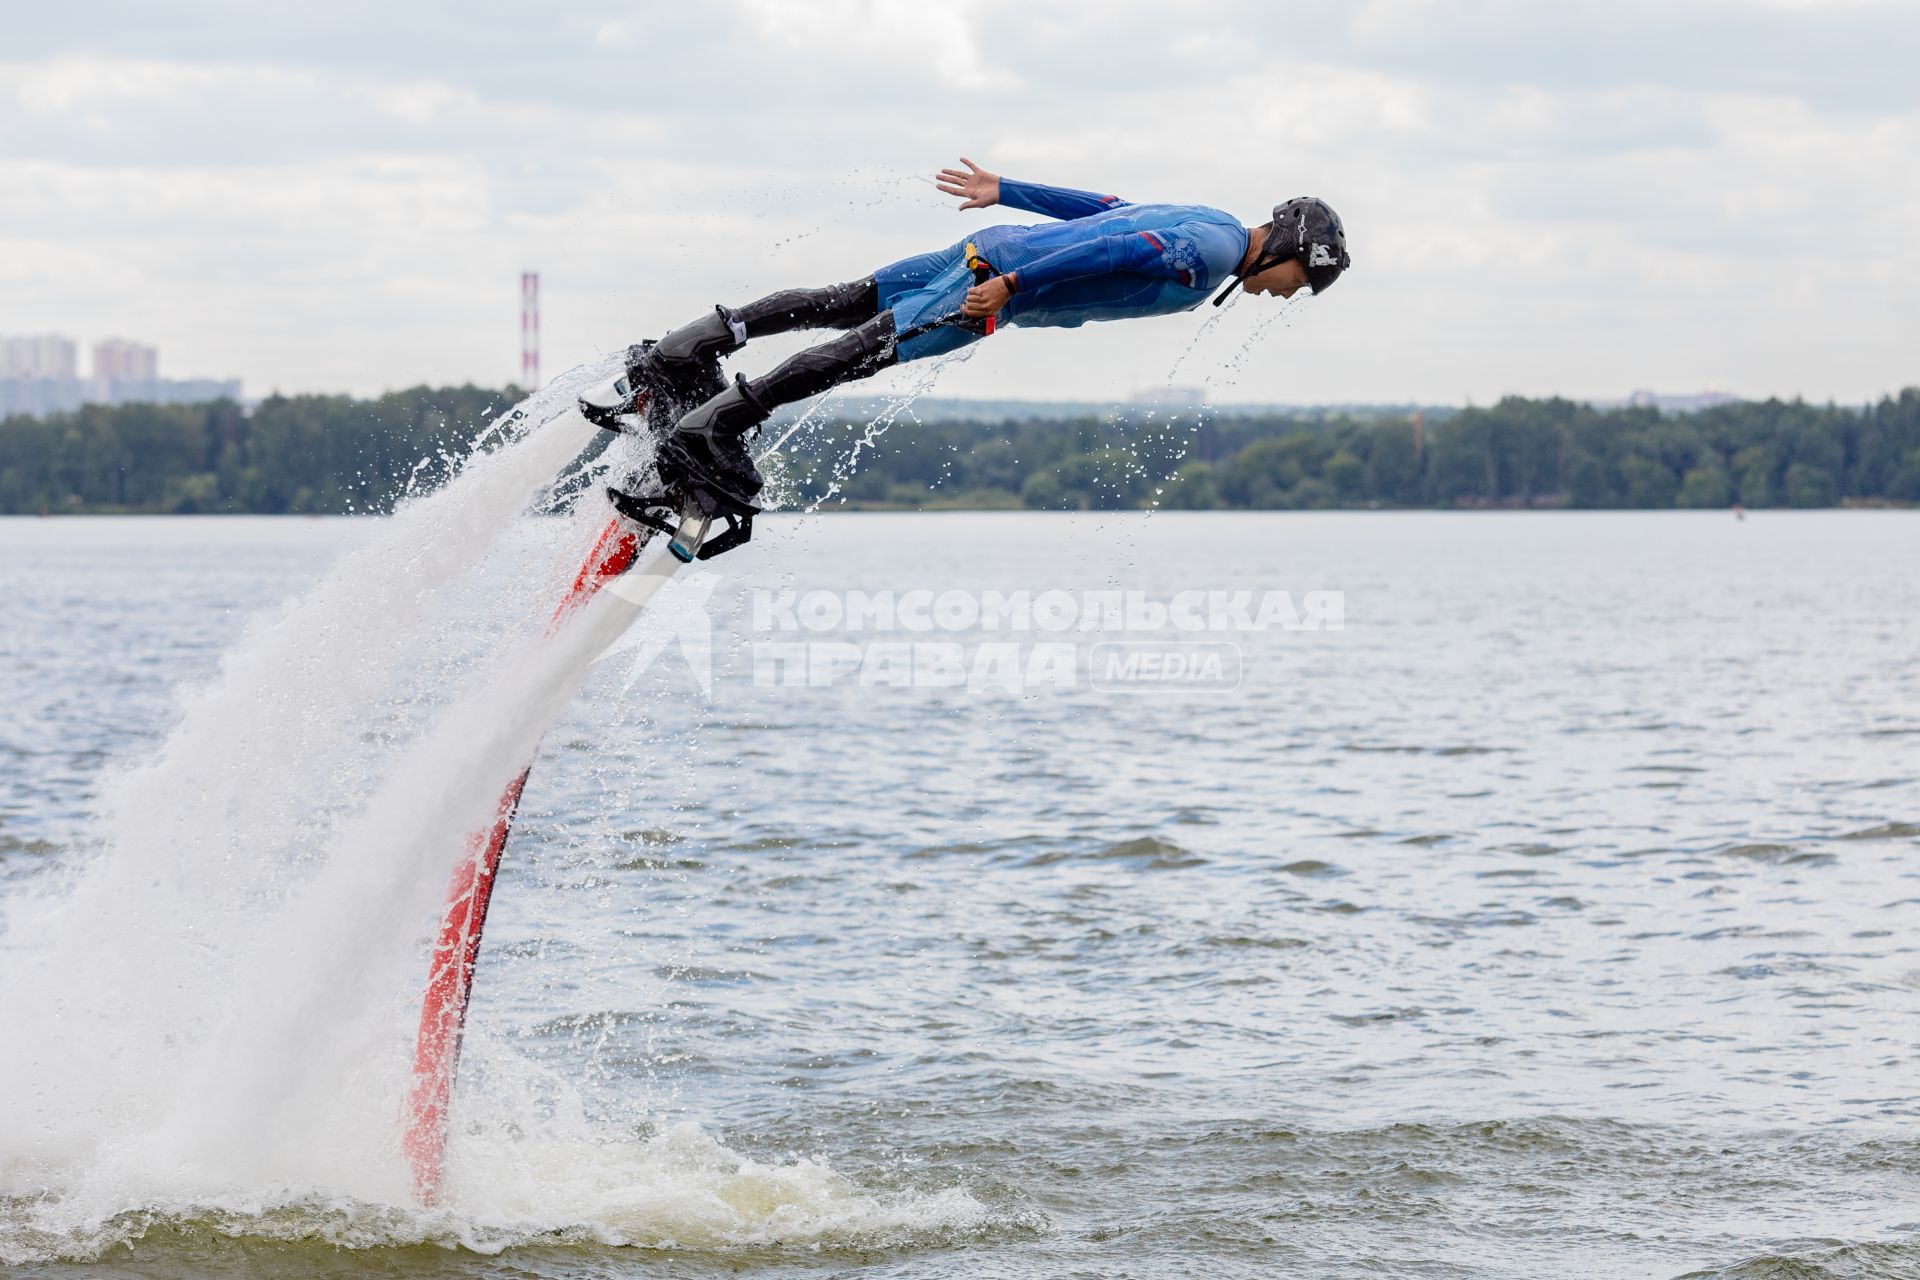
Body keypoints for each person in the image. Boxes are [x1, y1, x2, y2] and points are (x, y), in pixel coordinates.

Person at [596, 158, 1349, 536]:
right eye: (1296, 281)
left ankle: (686, 350)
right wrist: (1014, 289)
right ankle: (711, 431)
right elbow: (1110, 251)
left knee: (848, 301)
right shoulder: (1207, 257)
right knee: (868, 347)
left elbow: (1110, 210)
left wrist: (1009, 189)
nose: (1287, 295)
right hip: (999, 279)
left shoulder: (1211, 220)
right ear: (1287, 244)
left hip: (994, 244)